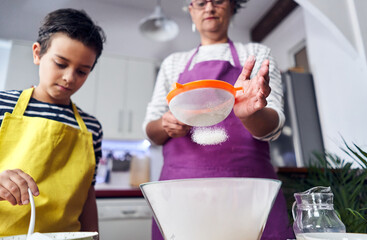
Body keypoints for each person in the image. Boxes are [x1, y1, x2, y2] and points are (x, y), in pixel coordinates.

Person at [143, 0, 294, 239]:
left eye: (218, 1)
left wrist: (251, 113)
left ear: (233, 6)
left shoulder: (255, 55)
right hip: (183, 193)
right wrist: (166, 123)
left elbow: (273, 126)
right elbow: (151, 130)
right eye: (201, 3)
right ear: (190, 10)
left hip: (248, 190)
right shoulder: (173, 63)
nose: (209, 8)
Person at [0, 8, 106, 236]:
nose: (69, 77)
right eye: (61, 64)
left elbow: (87, 193)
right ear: (37, 53)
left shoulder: (92, 128)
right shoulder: (2, 104)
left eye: (82, 71)